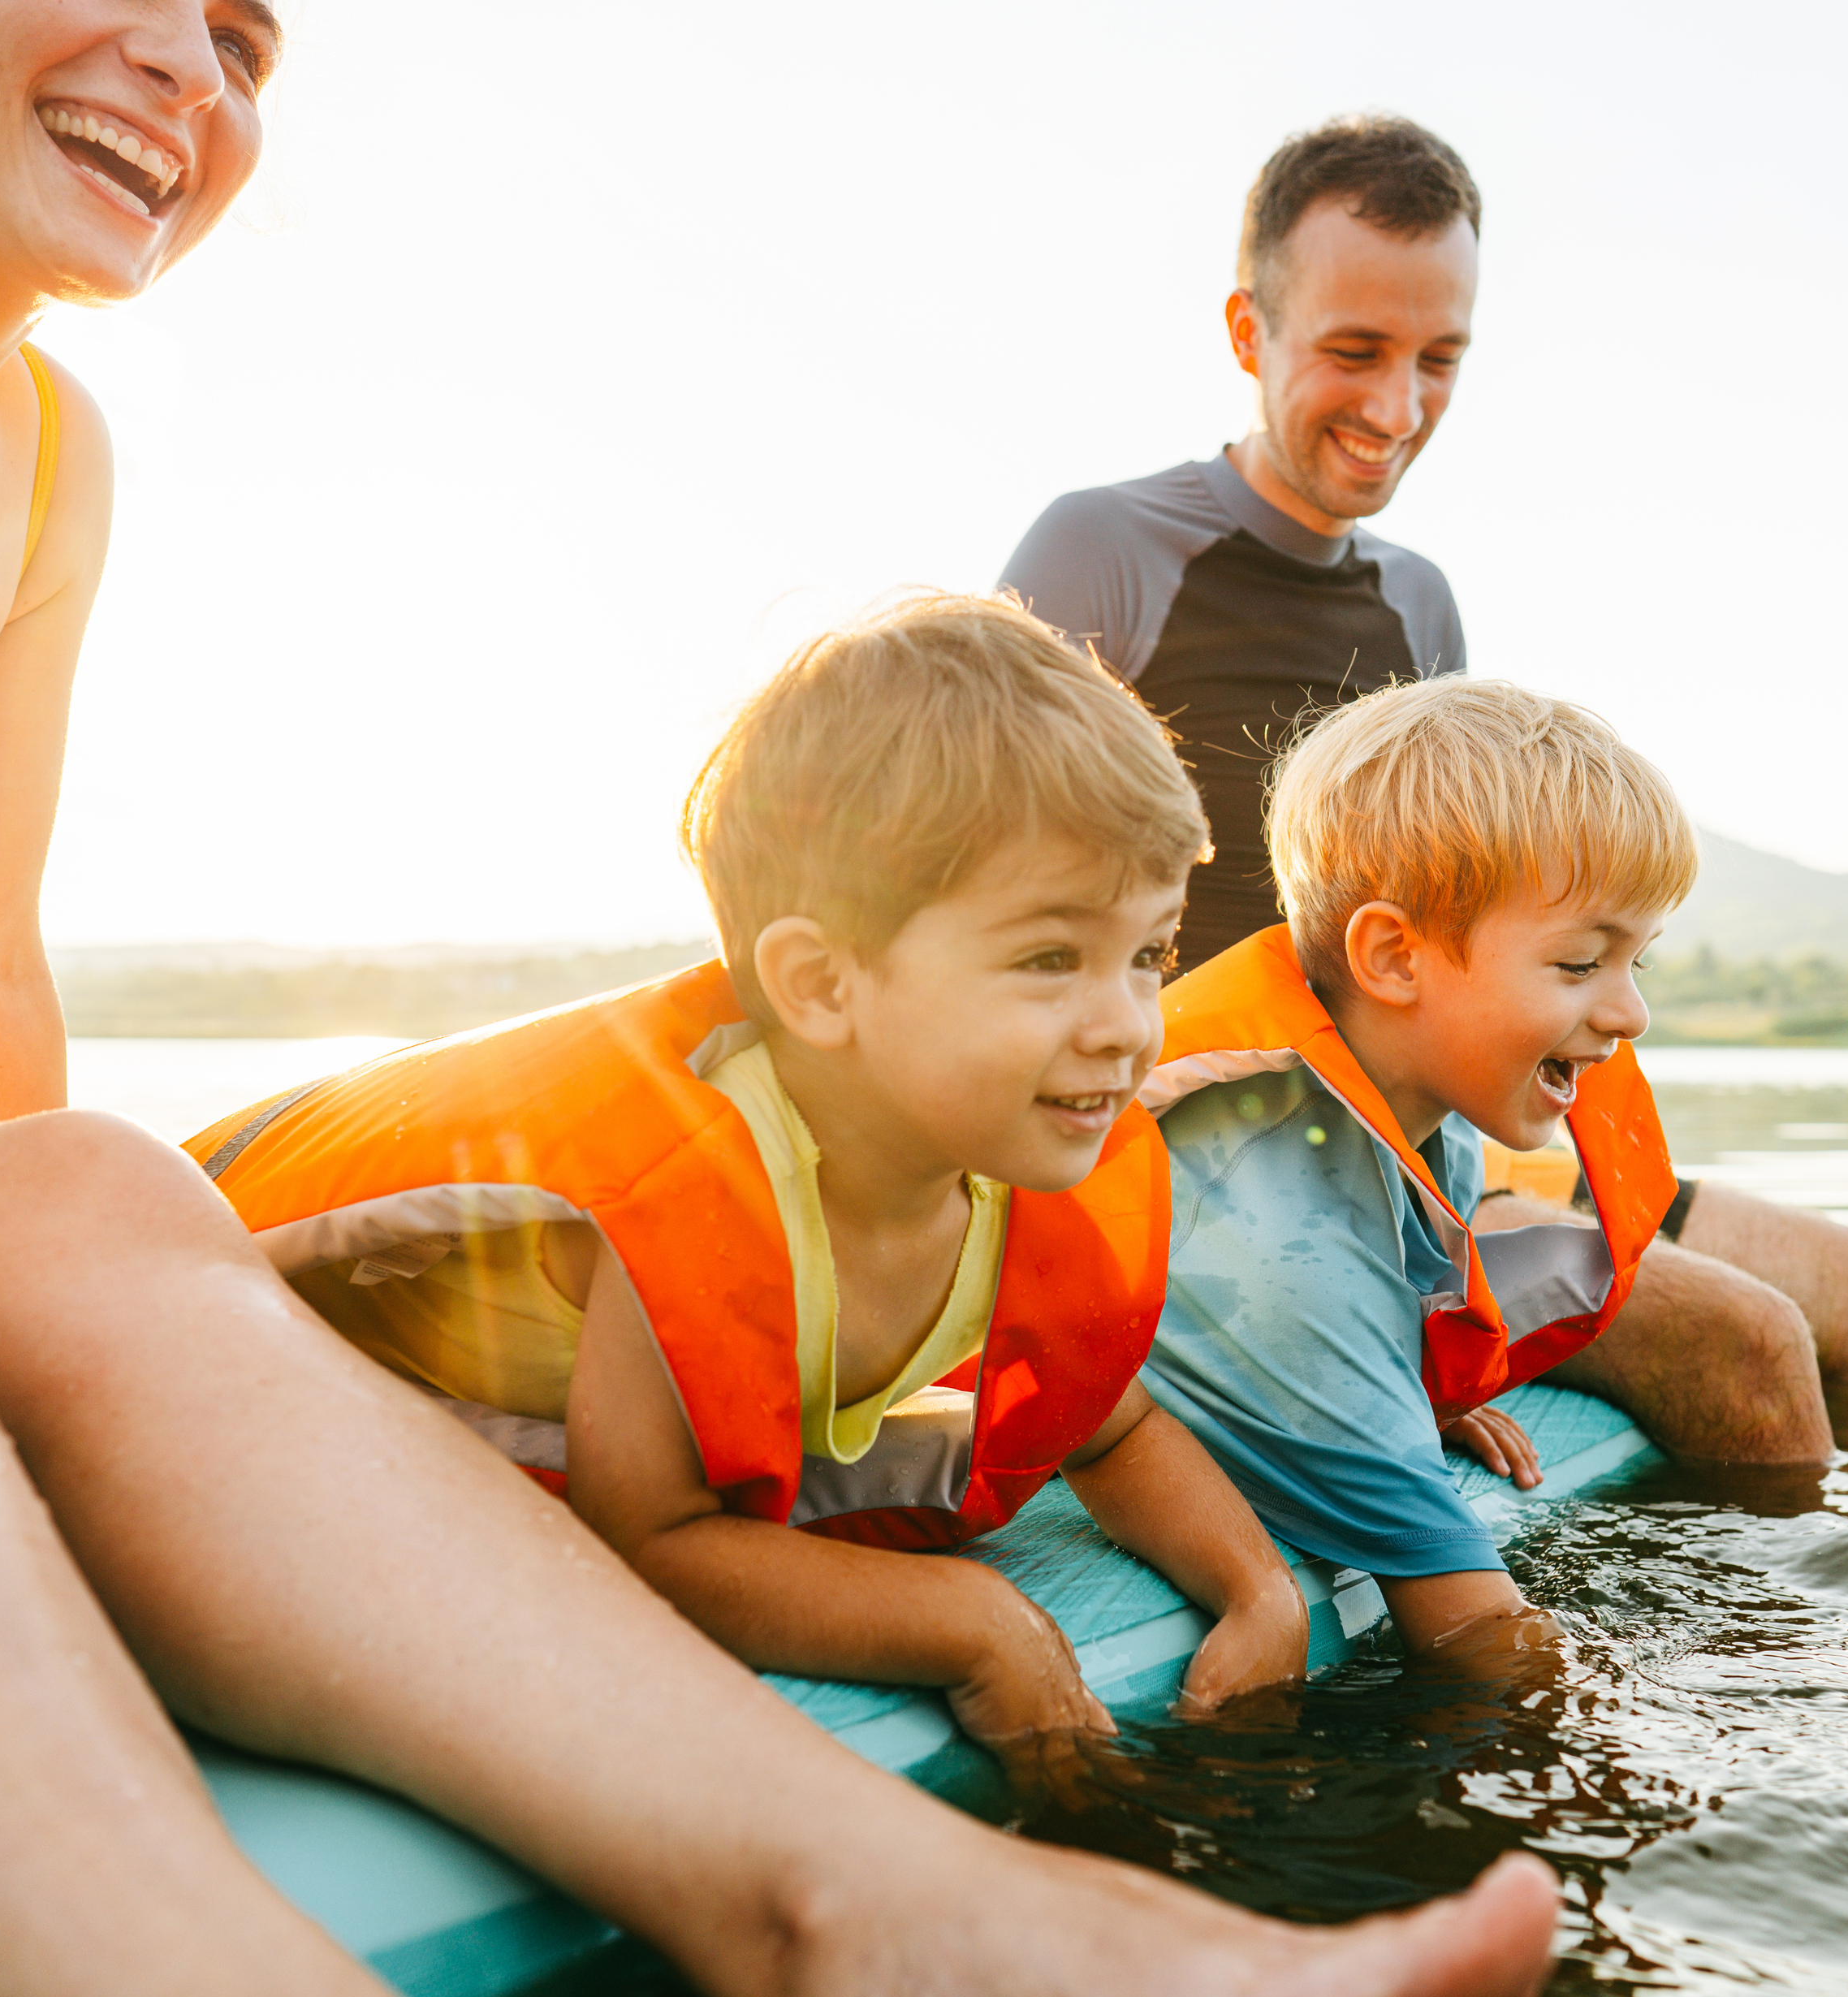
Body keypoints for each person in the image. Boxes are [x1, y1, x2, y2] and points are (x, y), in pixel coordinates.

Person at [0, 16, 1561, 1997]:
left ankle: (869, 1920)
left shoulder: (44, 462)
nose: (192, 67)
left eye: (244, 37)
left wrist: (95, 1328)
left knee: (89, 1177)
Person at [189, 598, 1314, 1763]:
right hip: (268, 1353)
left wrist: (1257, 1587)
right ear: (822, 986)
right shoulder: (703, 1192)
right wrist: (975, 1624)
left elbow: (1111, 1431)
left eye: (1150, 953)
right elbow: (658, 1539)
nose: (1127, 1024)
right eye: (1049, 957)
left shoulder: (1011, 1165)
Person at [1000, 113, 1848, 1420]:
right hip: (1219, 1163)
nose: (1398, 410)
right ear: (1248, 333)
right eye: (1355, 352)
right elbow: (978, 892)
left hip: (1427, 1148)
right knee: (1749, 1347)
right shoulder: (1103, 552)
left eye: (1439, 359)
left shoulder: (1421, 604)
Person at [1136, 678, 1819, 1658]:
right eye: (1580, 964)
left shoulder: (1429, 1117)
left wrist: (1410, 1393)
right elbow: (1472, 1626)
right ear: (1394, 957)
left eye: (1636, 962)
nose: (1631, 1013)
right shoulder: (1279, 1236)